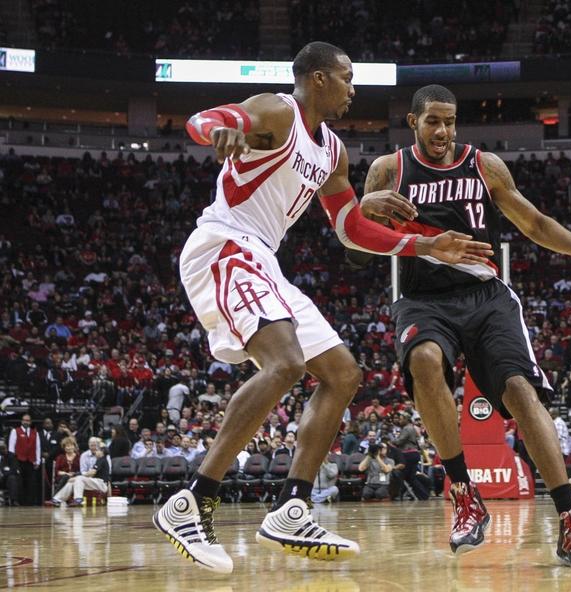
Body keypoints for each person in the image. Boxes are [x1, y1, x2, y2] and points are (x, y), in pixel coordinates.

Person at [153, 43, 492, 574]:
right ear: (317, 78)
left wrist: (426, 245)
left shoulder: (332, 150)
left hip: (265, 258)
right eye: (346, 77)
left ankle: (291, 507)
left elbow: (350, 229)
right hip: (225, 245)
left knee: (342, 373)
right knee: (285, 363)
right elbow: (207, 118)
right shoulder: (278, 111)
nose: (354, 89)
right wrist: (216, 131)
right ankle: (192, 501)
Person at [352, 84, 571, 567]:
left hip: (486, 297)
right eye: (433, 122)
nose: (443, 131)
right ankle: (465, 493)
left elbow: (534, 222)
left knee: (521, 392)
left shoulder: (483, 165)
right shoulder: (389, 170)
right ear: (413, 123)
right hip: (423, 298)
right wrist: (363, 213)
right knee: (425, 359)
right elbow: (357, 248)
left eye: (449, 121)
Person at [8, 414, 41, 505]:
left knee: (30, 482)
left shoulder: (35, 433)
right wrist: (14, 463)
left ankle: (29, 502)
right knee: (19, 482)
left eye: (28, 420)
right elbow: (11, 448)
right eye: (24, 420)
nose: (26, 422)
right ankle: (19, 501)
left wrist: (38, 461)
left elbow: (38, 447)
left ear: (30, 422)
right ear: (21, 421)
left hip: (30, 461)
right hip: (19, 460)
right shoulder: (15, 431)